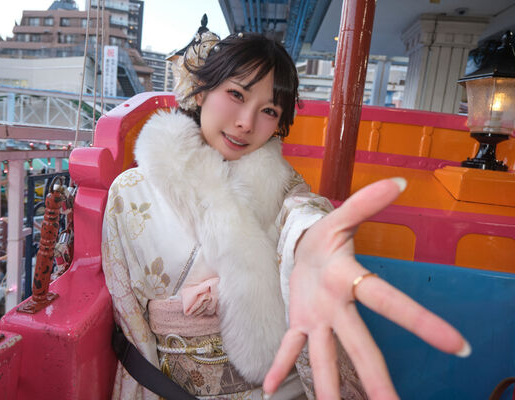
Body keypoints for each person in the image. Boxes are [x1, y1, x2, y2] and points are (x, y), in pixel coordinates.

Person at [101, 22, 469, 400]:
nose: (246, 123)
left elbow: (303, 214)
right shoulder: (130, 192)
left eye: (269, 110)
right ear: (201, 90)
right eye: (236, 94)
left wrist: (315, 243)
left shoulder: (283, 186)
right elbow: (131, 322)